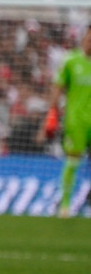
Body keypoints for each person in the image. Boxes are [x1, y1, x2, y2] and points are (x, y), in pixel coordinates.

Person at [37, 29, 91, 218]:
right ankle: (65, 205)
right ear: (84, 38)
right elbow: (57, 88)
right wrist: (51, 115)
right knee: (73, 161)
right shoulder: (71, 60)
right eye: (89, 38)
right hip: (76, 122)